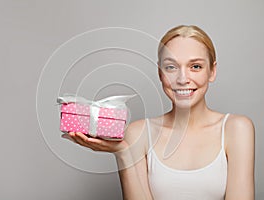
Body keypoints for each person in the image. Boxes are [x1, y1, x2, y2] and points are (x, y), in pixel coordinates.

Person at [64, 25, 255, 200]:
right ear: (160, 73)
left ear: (212, 71)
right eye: (171, 67)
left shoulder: (236, 129)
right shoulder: (138, 133)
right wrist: (124, 154)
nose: (182, 79)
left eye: (195, 66)